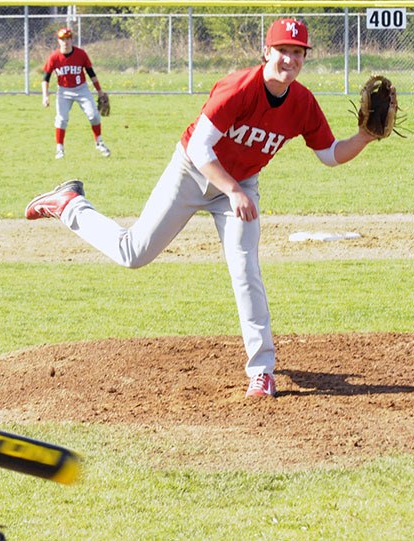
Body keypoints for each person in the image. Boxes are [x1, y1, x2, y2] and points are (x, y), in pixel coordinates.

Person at [25, 18, 378, 398]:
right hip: (193, 172)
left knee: (245, 270)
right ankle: (71, 204)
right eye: (282, 50)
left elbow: (329, 154)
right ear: (266, 51)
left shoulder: (302, 103)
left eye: (297, 52)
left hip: (240, 184)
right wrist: (231, 190)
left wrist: (365, 136)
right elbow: (199, 148)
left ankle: (262, 371)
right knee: (133, 253)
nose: (289, 59)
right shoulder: (238, 88)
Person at [42, 27, 111, 160]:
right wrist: (45, 96)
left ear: (72, 39)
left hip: (81, 89)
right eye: (62, 39)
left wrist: (100, 91)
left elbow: (91, 74)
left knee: (94, 116)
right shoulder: (54, 57)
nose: (65, 42)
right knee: (61, 120)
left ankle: (99, 142)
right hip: (63, 91)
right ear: (58, 40)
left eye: (68, 38)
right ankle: (59, 149)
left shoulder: (81, 54)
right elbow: (45, 78)